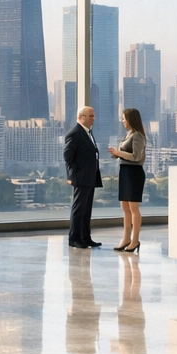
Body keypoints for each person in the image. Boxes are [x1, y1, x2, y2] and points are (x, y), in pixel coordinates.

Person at [108, 108, 147, 252]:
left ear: (131, 119)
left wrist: (119, 153)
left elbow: (136, 157)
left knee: (133, 208)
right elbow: (125, 154)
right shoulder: (128, 134)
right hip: (125, 172)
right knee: (125, 208)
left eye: (124, 118)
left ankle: (135, 240)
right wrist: (116, 154)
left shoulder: (138, 135)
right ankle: (126, 238)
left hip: (134, 173)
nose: (122, 121)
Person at [63, 106, 102, 248]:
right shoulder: (75, 133)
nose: (93, 119)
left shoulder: (87, 133)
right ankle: (74, 238)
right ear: (81, 117)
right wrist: (72, 175)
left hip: (90, 177)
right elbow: (67, 156)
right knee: (79, 209)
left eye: (93, 116)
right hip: (81, 177)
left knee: (86, 209)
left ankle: (86, 237)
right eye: (90, 116)